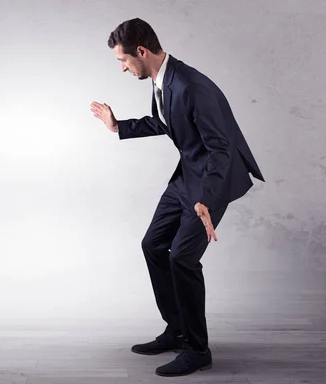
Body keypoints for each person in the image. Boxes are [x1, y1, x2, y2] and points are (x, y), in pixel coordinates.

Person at [90, 18, 264, 377]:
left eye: (122, 61)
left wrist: (206, 198)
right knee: (153, 245)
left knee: (182, 259)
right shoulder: (162, 79)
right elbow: (166, 122)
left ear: (141, 52)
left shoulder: (191, 85)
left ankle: (197, 349)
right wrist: (118, 126)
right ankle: (177, 329)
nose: (122, 68)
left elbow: (221, 149)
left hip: (212, 181)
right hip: (187, 176)